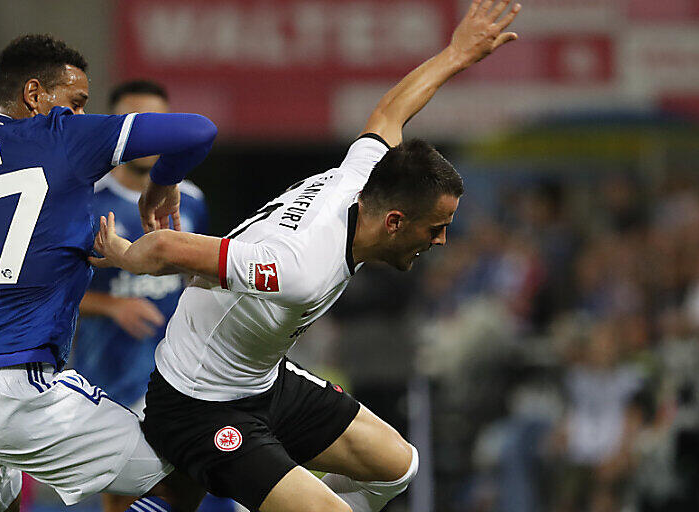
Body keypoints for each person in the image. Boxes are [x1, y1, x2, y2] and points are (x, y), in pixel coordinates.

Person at [88, 2, 521, 511]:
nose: (442, 241)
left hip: (262, 381)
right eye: (438, 228)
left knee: (399, 466)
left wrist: (456, 54)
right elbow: (165, 245)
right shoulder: (300, 266)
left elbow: (390, 113)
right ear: (396, 222)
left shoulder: (360, 179)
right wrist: (118, 252)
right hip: (197, 403)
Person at [0, 34, 216, 512]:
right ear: (34, 95)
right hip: (15, 386)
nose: (80, 115)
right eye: (75, 102)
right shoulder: (62, 137)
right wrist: (163, 182)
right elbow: (197, 131)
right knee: (186, 473)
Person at [74, 80, 235, 512]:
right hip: (105, 372)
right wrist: (111, 304)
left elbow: (198, 280)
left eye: (156, 125)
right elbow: (52, 291)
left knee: (191, 486)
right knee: (123, 496)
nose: (149, 138)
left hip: (171, 372)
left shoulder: (192, 201)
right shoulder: (85, 201)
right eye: (136, 125)